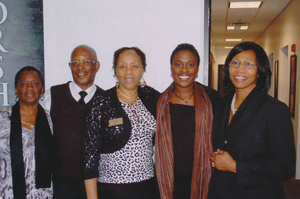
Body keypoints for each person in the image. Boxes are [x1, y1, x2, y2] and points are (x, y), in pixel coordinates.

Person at [208, 42, 296, 199]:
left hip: (258, 193)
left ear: (260, 71)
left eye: (248, 64)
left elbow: (285, 167)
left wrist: (236, 167)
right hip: (221, 190)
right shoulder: (220, 105)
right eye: (235, 63)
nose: (240, 69)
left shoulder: (275, 110)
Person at [83, 47, 160, 199]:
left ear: (142, 69)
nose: (128, 72)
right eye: (122, 66)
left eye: (134, 66)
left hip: (148, 188)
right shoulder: (101, 103)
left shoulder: (153, 98)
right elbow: (89, 159)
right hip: (113, 190)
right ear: (116, 70)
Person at [155, 43, 219, 199]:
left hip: (204, 180)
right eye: (178, 64)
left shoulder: (212, 98)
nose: (184, 70)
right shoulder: (159, 102)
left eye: (190, 65)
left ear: (197, 69)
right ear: (171, 68)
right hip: (169, 181)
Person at [40, 45, 104, 199]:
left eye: (86, 62)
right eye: (74, 63)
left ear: (96, 66)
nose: (80, 67)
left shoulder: (106, 100)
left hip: (97, 184)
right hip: (61, 184)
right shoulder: (53, 96)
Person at [0, 66, 54, 198]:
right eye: (24, 84)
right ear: (16, 90)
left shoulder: (51, 120)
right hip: (8, 193)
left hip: (43, 194)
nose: (29, 88)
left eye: (35, 84)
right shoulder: (2, 120)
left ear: (42, 90)